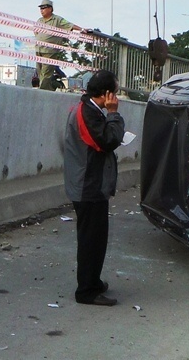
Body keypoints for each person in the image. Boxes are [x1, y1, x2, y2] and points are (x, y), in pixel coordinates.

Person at [63, 69, 124, 306]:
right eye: (115, 92)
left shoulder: (89, 109)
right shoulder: (88, 113)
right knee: (91, 241)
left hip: (89, 183)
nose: (117, 97)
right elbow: (108, 140)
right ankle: (86, 291)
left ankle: (94, 282)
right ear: (107, 94)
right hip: (88, 185)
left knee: (97, 239)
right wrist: (114, 114)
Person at [35, 0, 85, 91]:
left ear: (50, 9)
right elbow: (36, 31)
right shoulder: (39, 20)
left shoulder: (57, 20)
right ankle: (47, 90)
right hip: (39, 49)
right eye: (41, 8)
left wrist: (81, 29)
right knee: (39, 71)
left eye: (44, 8)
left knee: (46, 72)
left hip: (50, 51)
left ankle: (42, 91)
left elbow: (69, 25)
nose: (41, 10)